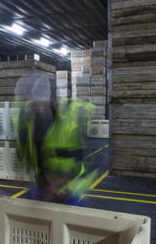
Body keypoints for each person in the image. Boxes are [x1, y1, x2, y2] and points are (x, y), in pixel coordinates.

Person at [15, 76, 97, 204]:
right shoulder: (27, 115)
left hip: (69, 189)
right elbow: (23, 148)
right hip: (43, 184)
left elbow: (90, 161)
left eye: (44, 104)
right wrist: (26, 167)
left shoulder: (75, 116)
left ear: (54, 101)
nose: (40, 109)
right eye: (35, 103)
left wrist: (61, 186)